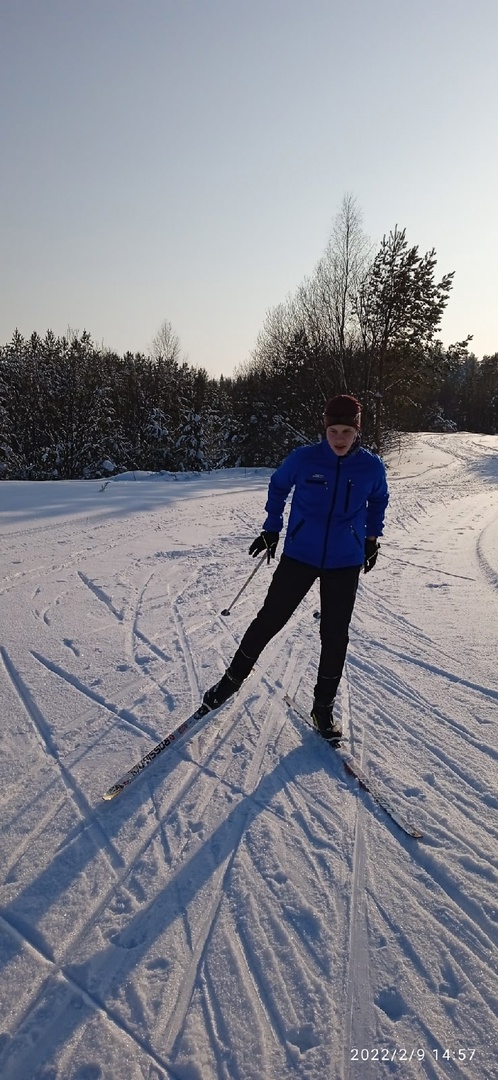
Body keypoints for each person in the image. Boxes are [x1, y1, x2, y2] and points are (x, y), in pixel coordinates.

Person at [203, 394, 389, 742]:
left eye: (347, 431)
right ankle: (229, 682)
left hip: (344, 561)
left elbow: (379, 498)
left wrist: (371, 538)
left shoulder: (371, 467)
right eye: (333, 430)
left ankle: (322, 707)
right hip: (300, 555)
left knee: (335, 636)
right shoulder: (304, 459)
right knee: (268, 620)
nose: (339, 438)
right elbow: (278, 486)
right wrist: (272, 527)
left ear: (357, 431)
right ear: (324, 427)